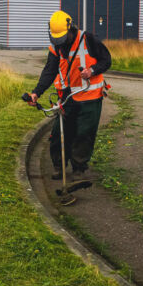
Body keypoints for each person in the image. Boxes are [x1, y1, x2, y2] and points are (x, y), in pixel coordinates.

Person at [29, 10, 111, 181]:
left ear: (70, 29)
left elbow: (106, 60)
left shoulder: (88, 39)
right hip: (67, 97)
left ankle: (79, 168)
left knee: (84, 134)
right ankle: (59, 166)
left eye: (62, 38)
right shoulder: (56, 47)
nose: (60, 43)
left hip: (90, 97)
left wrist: (92, 71)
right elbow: (49, 71)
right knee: (60, 133)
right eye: (56, 39)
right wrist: (37, 92)